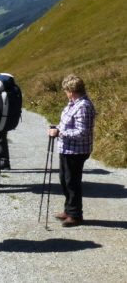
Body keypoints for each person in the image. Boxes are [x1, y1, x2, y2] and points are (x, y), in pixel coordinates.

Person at [48, 74, 95, 227]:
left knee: (72, 182)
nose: (65, 92)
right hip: (66, 149)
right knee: (64, 180)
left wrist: (60, 133)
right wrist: (58, 128)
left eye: (65, 90)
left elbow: (83, 132)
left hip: (76, 151)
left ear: (71, 90)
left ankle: (75, 214)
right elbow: (69, 125)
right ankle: (68, 210)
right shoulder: (72, 104)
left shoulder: (84, 106)